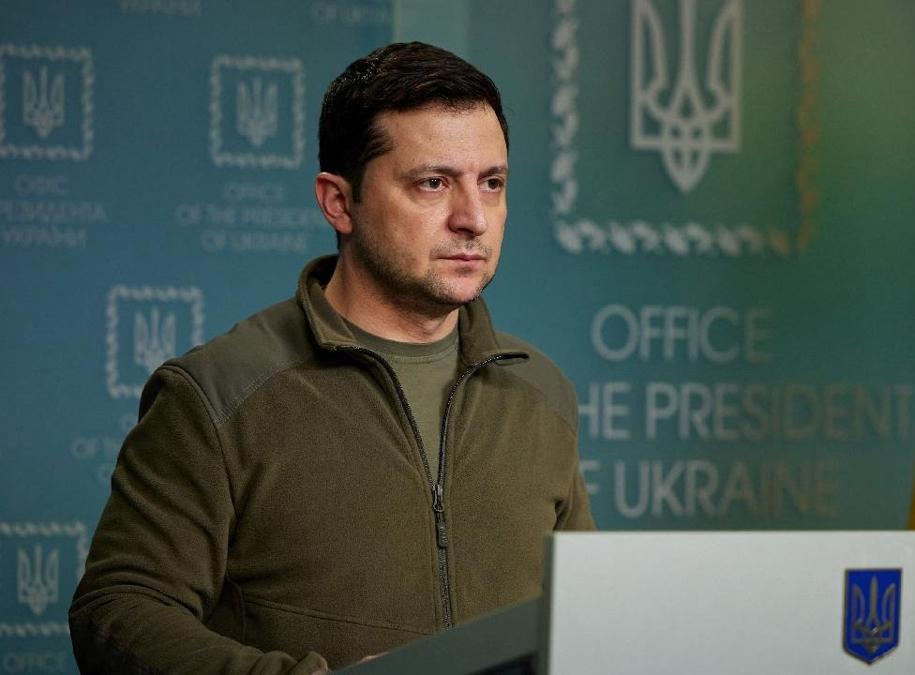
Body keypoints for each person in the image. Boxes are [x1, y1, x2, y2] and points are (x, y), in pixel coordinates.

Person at [70, 42, 594, 674]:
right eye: (433, 183)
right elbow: (117, 611)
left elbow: (584, 621)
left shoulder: (540, 391)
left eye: (492, 183)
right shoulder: (218, 394)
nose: (473, 219)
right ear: (339, 203)